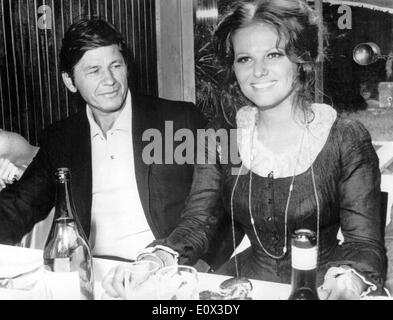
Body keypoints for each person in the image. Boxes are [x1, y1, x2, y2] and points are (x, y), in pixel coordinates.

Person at [104, 0, 386, 299]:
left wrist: (351, 280)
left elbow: (364, 243)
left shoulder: (344, 138)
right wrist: (153, 260)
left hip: (324, 287)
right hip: (244, 286)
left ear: (301, 59)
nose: (258, 71)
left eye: (273, 54)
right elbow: (197, 223)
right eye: (245, 59)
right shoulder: (221, 139)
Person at [0, 18, 234, 273]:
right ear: (69, 81)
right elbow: (20, 205)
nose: (109, 80)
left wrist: (206, 263)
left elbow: (220, 200)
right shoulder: (61, 138)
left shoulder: (178, 121)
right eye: (94, 71)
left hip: (166, 268)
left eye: (115, 65)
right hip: (93, 274)